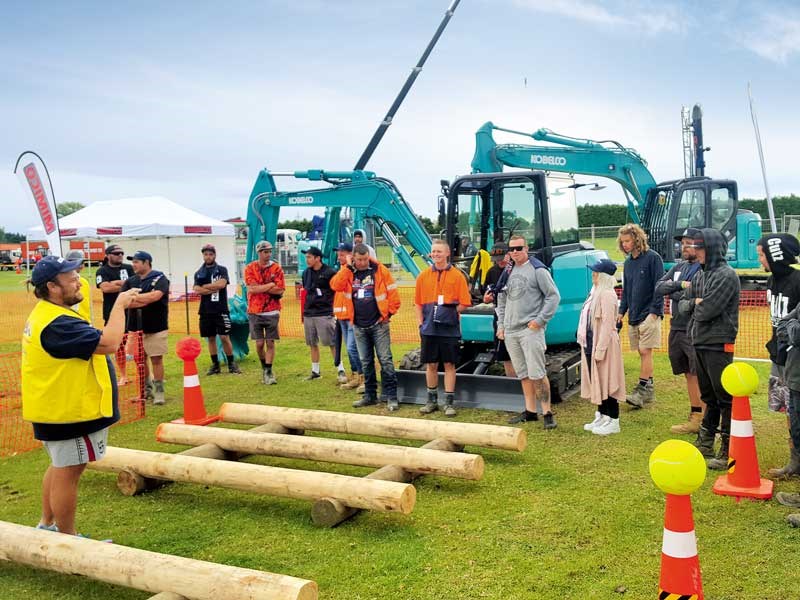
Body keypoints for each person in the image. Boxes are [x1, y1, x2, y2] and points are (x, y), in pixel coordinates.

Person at [22, 255, 139, 535]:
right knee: (69, 471)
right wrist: (120, 305)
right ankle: (68, 538)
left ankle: (47, 524)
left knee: (61, 466)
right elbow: (109, 343)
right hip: (69, 412)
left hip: (57, 409)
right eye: (71, 278)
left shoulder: (51, 313)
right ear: (52, 286)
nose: (78, 282)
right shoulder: (58, 323)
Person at [679, 229, 740, 470]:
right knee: (709, 396)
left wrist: (694, 305)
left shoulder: (726, 275)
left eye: (699, 247)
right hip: (700, 340)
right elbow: (682, 303)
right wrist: (694, 303)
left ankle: (727, 448)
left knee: (724, 397)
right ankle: (705, 443)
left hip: (718, 342)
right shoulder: (701, 275)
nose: (695, 251)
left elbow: (707, 311)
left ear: (712, 249)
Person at [496, 234, 560, 428]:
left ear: (527, 248)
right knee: (523, 374)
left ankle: (547, 413)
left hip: (529, 331)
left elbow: (553, 296)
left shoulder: (538, 269)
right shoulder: (508, 270)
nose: (515, 252)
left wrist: (539, 321)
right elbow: (502, 299)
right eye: (512, 249)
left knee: (537, 374)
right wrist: (501, 325)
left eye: (519, 248)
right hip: (511, 331)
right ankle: (530, 411)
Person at [331, 243, 401, 410]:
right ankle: (370, 395)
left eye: (364, 259)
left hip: (379, 324)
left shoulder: (379, 270)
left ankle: (391, 396)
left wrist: (387, 315)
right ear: (353, 258)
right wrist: (347, 268)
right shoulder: (348, 272)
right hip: (358, 325)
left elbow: (393, 294)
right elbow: (336, 285)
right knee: (365, 361)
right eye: (359, 260)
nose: (362, 263)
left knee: (385, 360)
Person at [757, 234, 800, 477]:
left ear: (775, 255)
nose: (759, 259)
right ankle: (794, 456)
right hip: (778, 353)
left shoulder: (797, 280)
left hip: (795, 356)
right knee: (787, 407)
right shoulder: (772, 280)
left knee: (797, 407)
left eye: (762, 254)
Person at [654, 229, 704, 434]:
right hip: (676, 326)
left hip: (694, 327)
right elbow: (658, 287)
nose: (684, 246)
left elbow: (696, 293)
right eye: (682, 242)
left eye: (689, 242)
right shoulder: (678, 267)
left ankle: (707, 420)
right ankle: (696, 416)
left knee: (699, 373)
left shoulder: (703, 269)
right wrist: (679, 285)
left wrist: (675, 292)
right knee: (688, 373)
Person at [415, 239, 472, 417]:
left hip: (449, 330)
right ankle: (431, 400)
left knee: (449, 364)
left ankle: (448, 402)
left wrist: (450, 312)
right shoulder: (423, 276)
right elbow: (417, 303)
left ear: (447, 253)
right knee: (431, 364)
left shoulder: (457, 276)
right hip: (429, 329)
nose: (436, 255)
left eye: (440, 251)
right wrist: (420, 322)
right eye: (434, 252)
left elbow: (465, 302)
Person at [617, 223, 664, 407]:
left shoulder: (653, 258)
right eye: (623, 242)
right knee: (641, 352)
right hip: (633, 315)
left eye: (628, 240)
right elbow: (626, 290)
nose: (625, 244)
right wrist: (621, 312)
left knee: (645, 351)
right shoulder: (628, 263)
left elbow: (659, 287)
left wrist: (654, 313)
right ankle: (648, 391)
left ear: (637, 239)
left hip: (649, 315)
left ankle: (641, 390)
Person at [579, 258, 626, 435]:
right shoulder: (595, 292)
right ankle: (602, 414)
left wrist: (600, 349)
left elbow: (607, 324)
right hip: (591, 341)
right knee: (597, 379)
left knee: (608, 380)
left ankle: (613, 420)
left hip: (604, 344)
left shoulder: (607, 294)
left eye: (596, 272)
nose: (593, 274)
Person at [121, 251, 170, 405]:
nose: (133, 265)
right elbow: (124, 301)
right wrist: (144, 299)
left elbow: (155, 297)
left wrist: (135, 298)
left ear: (146, 262)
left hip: (156, 326)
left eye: (136, 262)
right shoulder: (130, 281)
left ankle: (159, 392)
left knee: (156, 358)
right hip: (135, 327)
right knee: (139, 360)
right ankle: (145, 390)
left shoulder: (160, 278)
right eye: (133, 262)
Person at [193, 244, 241, 375]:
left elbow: (222, 284)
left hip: (221, 309)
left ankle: (232, 363)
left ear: (214, 255)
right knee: (211, 338)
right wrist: (211, 289)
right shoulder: (199, 273)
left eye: (210, 254)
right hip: (205, 310)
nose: (208, 256)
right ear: (203, 256)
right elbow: (196, 289)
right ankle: (215, 365)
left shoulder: (221, 270)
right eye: (205, 254)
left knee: (224, 337)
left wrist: (206, 286)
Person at [244, 240, 285, 385]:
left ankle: (268, 370)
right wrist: (270, 285)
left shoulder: (277, 268)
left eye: (269, 251)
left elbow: (280, 289)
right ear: (259, 253)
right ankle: (264, 366)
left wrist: (261, 287)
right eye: (265, 252)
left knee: (270, 342)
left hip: (272, 311)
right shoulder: (250, 268)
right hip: (255, 311)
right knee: (259, 343)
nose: (268, 254)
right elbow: (252, 289)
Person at [774, 305, 800, 527]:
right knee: (798, 435)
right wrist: (793, 326)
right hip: (796, 378)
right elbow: (782, 325)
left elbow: (794, 333)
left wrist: (792, 327)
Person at [96, 244, 135, 384]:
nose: (120, 255)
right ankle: (123, 375)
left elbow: (136, 286)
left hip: (132, 310)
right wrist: (124, 284)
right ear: (108, 255)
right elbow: (105, 288)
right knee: (118, 345)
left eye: (121, 253)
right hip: (112, 312)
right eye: (116, 253)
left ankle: (144, 374)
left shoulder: (129, 268)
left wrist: (117, 284)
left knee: (138, 343)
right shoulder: (102, 270)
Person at [300, 246, 338, 380]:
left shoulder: (330, 272)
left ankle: (340, 370)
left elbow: (335, 291)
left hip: (324, 313)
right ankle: (315, 371)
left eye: (309, 257)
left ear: (318, 258)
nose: (307, 260)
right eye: (306, 257)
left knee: (331, 342)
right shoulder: (306, 273)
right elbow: (306, 290)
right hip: (309, 313)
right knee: (312, 343)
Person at [333, 242, 364, 392]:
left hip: (352, 315)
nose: (339, 257)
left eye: (341, 254)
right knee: (349, 347)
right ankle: (355, 375)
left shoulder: (353, 271)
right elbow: (336, 286)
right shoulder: (343, 270)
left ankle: (363, 377)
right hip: (341, 316)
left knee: (353, 348)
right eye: (338, 254)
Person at [482, 242, 516, 378]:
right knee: (504, 352)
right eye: (496, 260)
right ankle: (511, 381)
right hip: (500, 315)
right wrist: (486, 298)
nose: (500, 262)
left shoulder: (517, 270)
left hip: (517, 314)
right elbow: (487, 291)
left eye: (502, 258)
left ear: (509, 254)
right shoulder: (492, 272)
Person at [64, 250, 92, 323]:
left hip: (85, 321)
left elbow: (88, 306)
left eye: (82, 263)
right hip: (71, 322)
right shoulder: (64, 282)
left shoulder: (84, 282)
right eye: (78, 262)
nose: (81, 265)